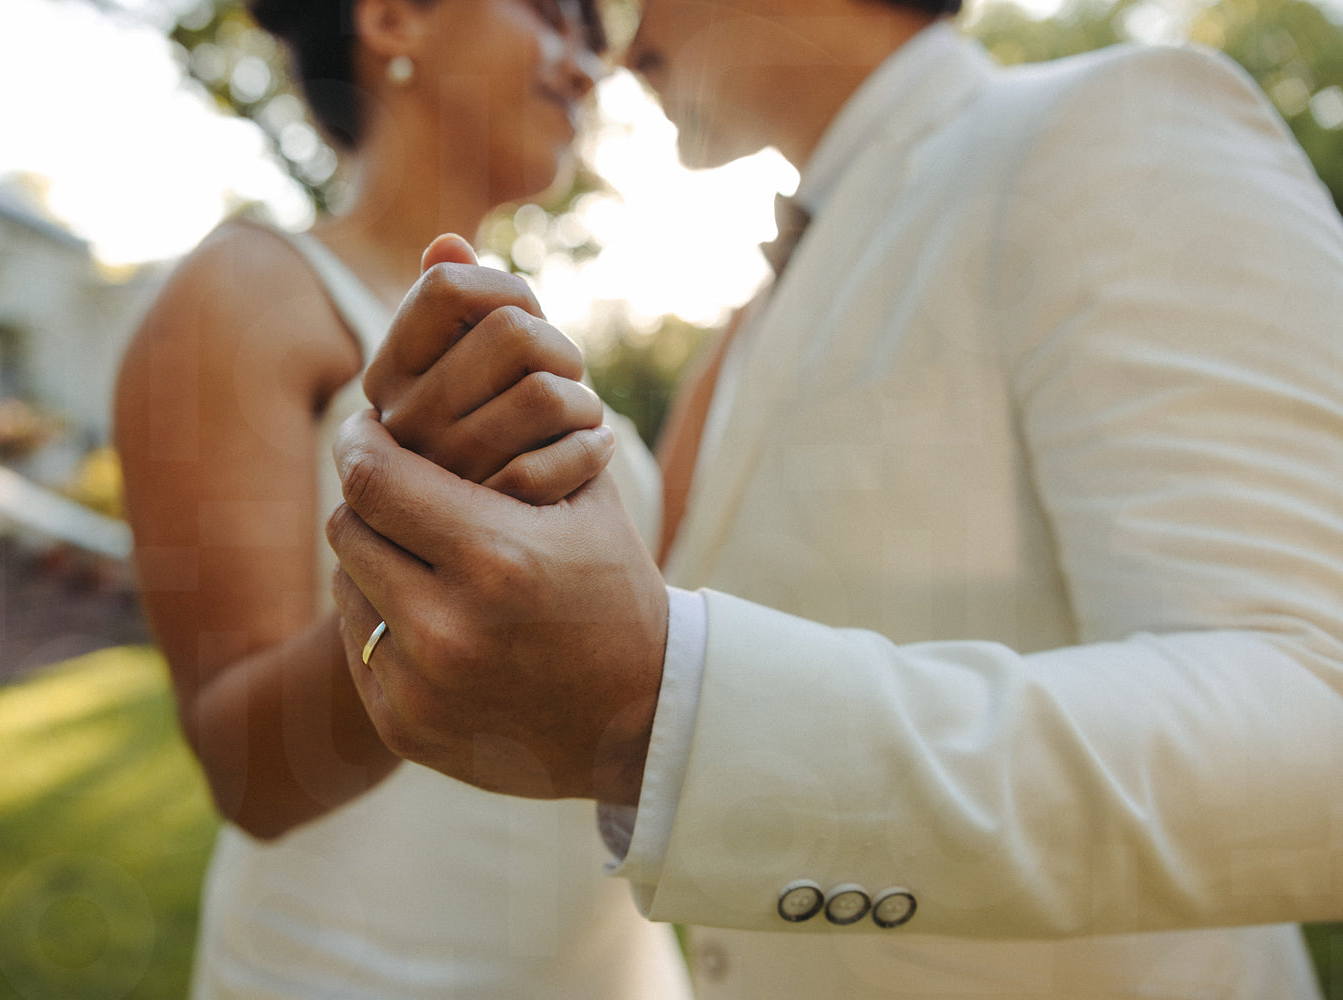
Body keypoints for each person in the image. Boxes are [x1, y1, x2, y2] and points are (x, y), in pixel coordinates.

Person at [325, 0, 1343, 993]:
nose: (623, 53)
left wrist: (657, 713)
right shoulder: (760, 313)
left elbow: (1318, 723)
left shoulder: (1113, 129)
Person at [112, 0, 694, 995]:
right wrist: (432, 561)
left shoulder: (538, 346)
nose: (585, 67)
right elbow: (247, 770)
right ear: (391, 20)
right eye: (551, 15)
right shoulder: (245, 290)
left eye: (593, 42)